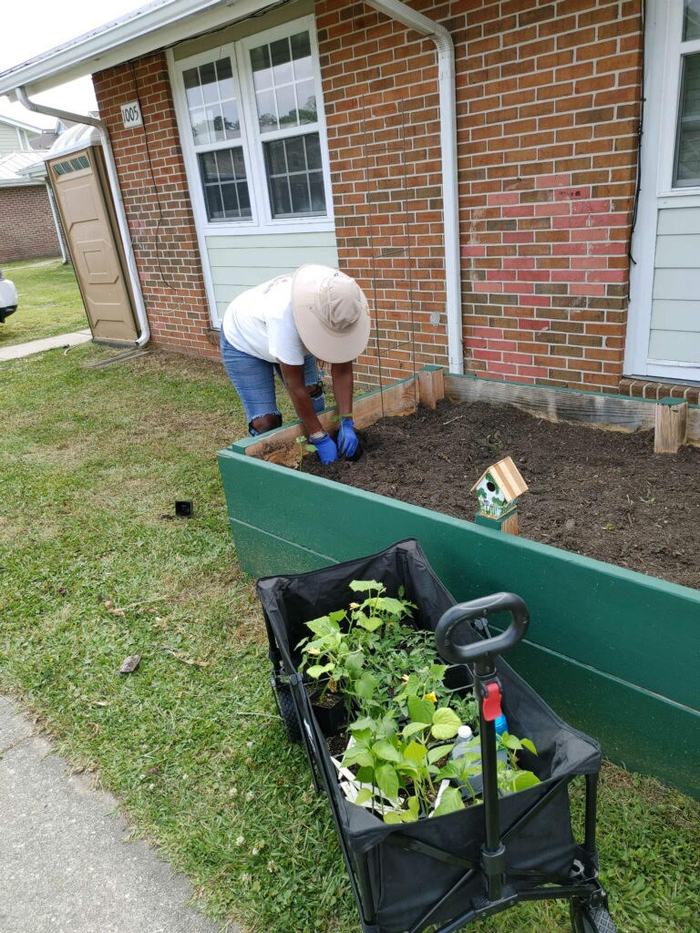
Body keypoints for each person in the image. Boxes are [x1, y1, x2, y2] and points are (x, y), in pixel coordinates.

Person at [220, 264, 370, 464]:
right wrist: (319, 436)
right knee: (266, 423)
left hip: (287, 335)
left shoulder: (344, 296)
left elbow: (342, 369)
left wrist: (347, 421)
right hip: (244, 342)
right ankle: (271, 472)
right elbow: (295, 385)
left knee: (314, 398)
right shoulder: (284, 315)